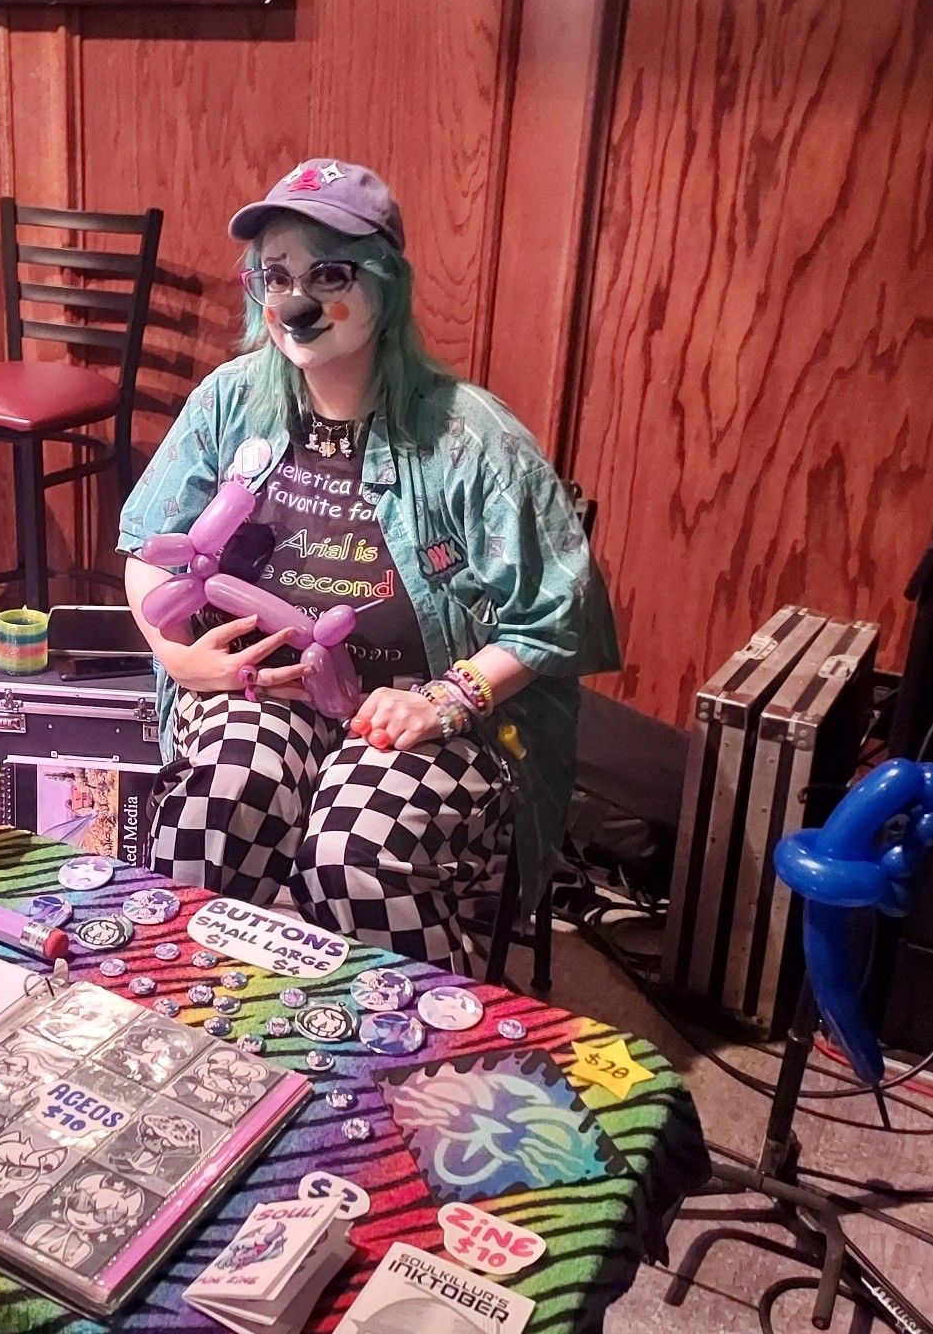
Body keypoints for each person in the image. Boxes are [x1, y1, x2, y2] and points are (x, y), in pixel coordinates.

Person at [118, 158, 619, 973]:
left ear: (386, 285)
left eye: (330, 274)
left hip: (422, 720)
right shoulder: (229, 398)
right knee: (219, 804)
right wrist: (175, 653)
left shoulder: (469, 435)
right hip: (257, 690)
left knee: (356, 851)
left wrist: (445, 700)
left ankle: (412, 1060)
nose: (296, 301)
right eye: (274, 275)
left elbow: (555, 614)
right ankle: (189, 1015)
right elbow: (149, 545)